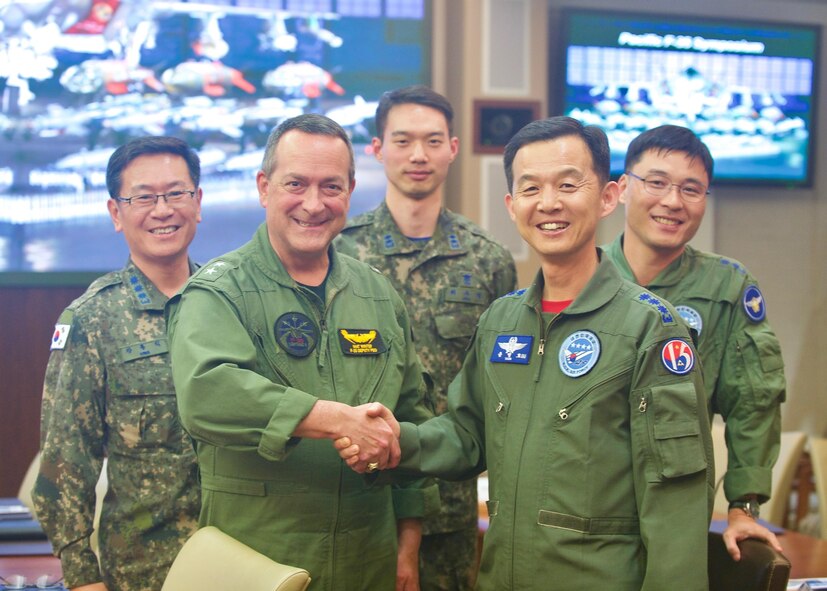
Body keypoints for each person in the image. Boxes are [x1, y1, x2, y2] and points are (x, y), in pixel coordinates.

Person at [338, 116, 715, 590]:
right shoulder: (502, 321)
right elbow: (465, 434)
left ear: (607, 197)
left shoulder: (650, 329)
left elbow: (676, 503)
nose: (549, 203)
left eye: (568, 184)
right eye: (531, 188)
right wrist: (394, 442)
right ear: (513, 206)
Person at [165, 113, 437, 591]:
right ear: (264, 187)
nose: (313, 204)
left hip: (367, 562)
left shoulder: (377, 294)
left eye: (331, 187)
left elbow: (412, 421)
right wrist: (334, 418)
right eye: (296, 184)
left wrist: (408, 547)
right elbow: (206, 394)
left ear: (350, 191)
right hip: (258, 562)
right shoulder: (219, 291)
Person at [335, 85, 516, 591]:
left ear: (453, 149)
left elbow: (502, 390)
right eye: (403, 140)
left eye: (433, 141)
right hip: (354, 500)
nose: (418, 155)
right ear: (377, 150)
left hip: (450, 508)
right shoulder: (340, 254)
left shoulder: (488, 260)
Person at [603, 124, 786, 559]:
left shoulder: (727, 287)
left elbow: (753, 403)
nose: (672, 201)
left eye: (692, 189)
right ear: (624, 188)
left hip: (675, 520)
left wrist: (743, 507)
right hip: (578, 517)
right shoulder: (582, 277)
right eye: (657, 182)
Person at [32, 136, 203, 591]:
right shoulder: (91, 319)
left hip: (241, 561)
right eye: (143, 197)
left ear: (198, 202)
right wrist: (83, 578)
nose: (162, 210)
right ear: (116, 213)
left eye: (176, 194)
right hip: (144, 571)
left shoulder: (233, 304)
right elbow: (65, 463)